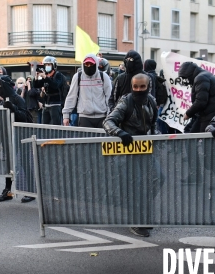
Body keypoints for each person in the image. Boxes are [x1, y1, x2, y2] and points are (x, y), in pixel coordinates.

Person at [103, 73, 157, 237]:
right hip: (129, 151)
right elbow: (108, 121)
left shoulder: (151, 101)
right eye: (135, 87)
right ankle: (136, 220)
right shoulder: (126, 101)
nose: (138, 90)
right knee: (137, 184)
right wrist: (120, 132)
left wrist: (158, 140)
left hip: (146, 148)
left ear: (148, 87)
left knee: (158, 178)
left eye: (142, 86)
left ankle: (143, 213)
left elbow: (153, 124)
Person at [0, 75, 34, 202]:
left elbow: (25, 118)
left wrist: (13, 108)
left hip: (22, 135)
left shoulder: (17, 99)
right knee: (9, 164)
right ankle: (8, 191)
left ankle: (31, 191)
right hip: (9, 136)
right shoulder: (3, 99)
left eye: (0, 86)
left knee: (25, 163)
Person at [62, 54, 112, 128]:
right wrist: (66, 115)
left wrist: (110, 115)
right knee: (86, 139)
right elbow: (71, 96)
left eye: (91, 64)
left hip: (102, 117)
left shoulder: (104, 76)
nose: (89, 66)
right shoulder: (78, 77)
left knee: (101, 139)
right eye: (86, 64)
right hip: (84, 117)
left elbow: (109, 96)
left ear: (96, 64)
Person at [177, 61, 215, 133]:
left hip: (208, 116)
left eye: (185, 77)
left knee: (200, 140)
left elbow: (200, 101)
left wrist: (188, 114)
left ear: (188, 74)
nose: (186, 80)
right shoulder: (205, 75)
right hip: (210, 114)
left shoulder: (201, 78)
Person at [34, 56, 66, 125]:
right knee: (45, 125)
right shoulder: (46, 75)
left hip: (56, 104)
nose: (47, 66)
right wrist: (36, 77)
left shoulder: (58, 75)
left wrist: (46, 77)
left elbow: (55, 85)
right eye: (46, 65)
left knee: (55, 125)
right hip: (46, 104)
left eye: (49, 64)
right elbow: (36, 85)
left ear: (53, 65)